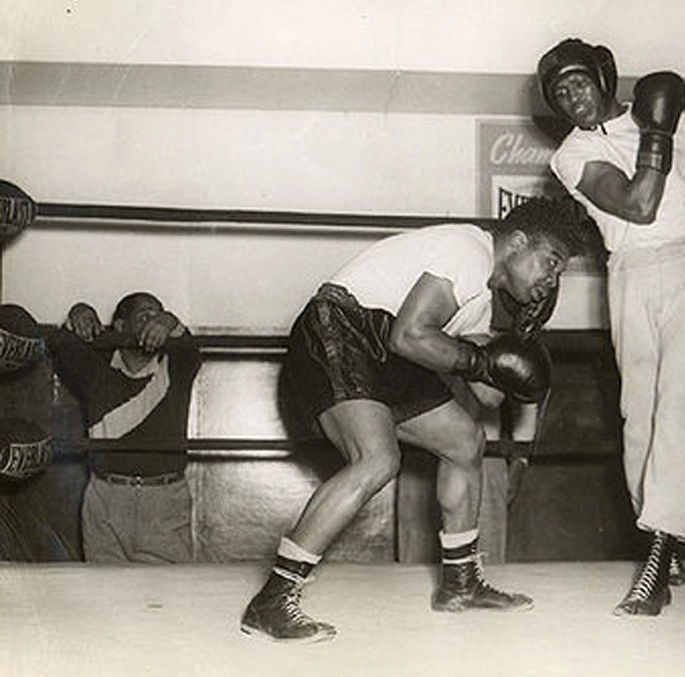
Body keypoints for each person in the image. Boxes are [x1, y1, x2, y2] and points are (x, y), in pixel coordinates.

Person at [240, 197, 587, 643]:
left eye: (559, 272)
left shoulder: (480, 303)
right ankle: (271, 599)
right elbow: (410, 335)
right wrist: (482, 361)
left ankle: (460, 582)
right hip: (342, 327)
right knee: (376, 460)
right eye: (551, 262)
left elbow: (483, 391)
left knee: (464, 441)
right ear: (517, 242)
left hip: (389, 351)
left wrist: (520, 341)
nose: (551, 280)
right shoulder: (468, 250)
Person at [537, 38, 685, 616]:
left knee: (681, 400)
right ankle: (656, 537)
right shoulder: (568, 156)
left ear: (602, 77)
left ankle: (659, 557)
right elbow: (638, 205)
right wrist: (657, 134)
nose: (571, 97)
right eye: (559, 92)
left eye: (577, 82)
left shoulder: (668, 119)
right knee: (638, 412)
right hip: (631, 270)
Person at [44, 292, 201, 563]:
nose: (154, 323)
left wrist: (170, 320)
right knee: (105, 595)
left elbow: (189, 349)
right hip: (105, 496)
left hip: (163, 500)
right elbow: (63, 345)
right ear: (119, 326)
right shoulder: (94, 371)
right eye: (144, 316)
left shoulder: (175, 368)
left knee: (169, 594)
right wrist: (78, 310)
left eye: (158, 315)